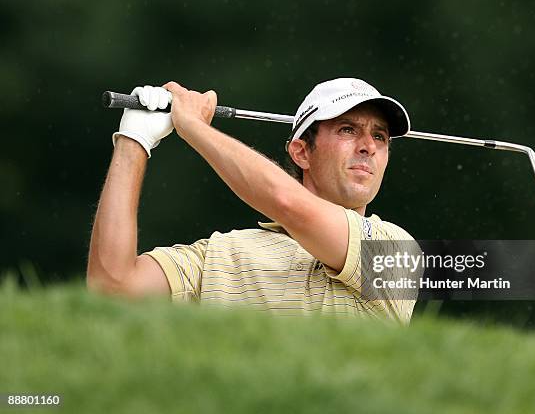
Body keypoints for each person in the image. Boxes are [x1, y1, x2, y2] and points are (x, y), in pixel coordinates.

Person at [87, 78, 421, 324]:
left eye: (379, 136)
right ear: (302, 152)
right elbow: (111, 287)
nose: (369, 146)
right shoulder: (222, 253)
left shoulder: (397, 251)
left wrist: (192, 127)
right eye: (348, 130)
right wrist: (134, 140)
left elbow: (287, 203)